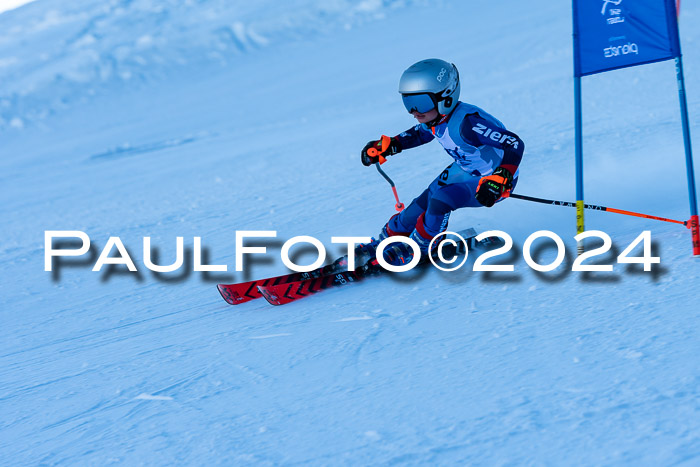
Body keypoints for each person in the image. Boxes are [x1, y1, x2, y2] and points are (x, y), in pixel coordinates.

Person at [360, 58, 524, 264]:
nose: (414, 111)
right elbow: (420, 135)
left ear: (446, 97)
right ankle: (386, 241)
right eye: (408, 103)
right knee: (422, 203)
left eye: (420, 103)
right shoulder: (436, 118)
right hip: (464, 169)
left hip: (491, 181)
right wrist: (391, 144)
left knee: (441, 200)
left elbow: (514, 143)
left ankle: (423, 247)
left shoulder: (468, 124)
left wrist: (502, 176)